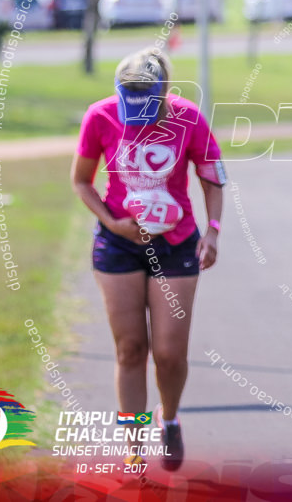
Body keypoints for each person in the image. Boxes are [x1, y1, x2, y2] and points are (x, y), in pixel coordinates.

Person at [71, 47, 225, 471]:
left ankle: (170, 418)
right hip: (118, 243)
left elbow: (212, 177)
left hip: (175, 243)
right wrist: (111, 222)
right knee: (130, 350)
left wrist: (212, 232)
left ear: (164, 93)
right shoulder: (100, 116)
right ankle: (134, 448)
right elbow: (81, 181)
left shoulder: (187, 117)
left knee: (169, 353)